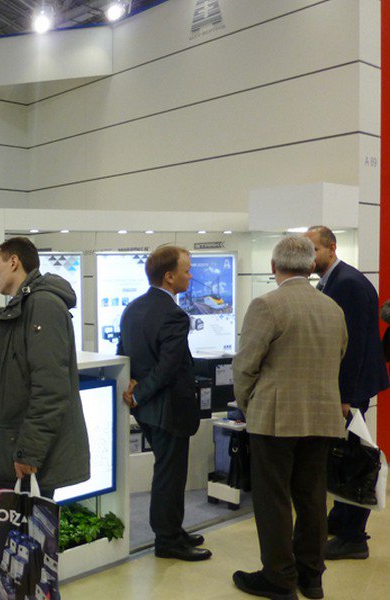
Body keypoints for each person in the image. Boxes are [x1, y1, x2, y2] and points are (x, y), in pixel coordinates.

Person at [0, 237, 90, 599]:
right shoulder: (27, 302)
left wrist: (29, 451)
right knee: (17, 537)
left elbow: (51, 387)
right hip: (13, 442)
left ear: (14, 262)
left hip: (28, 448)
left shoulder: (43, 305)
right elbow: (23, 358)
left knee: (29, 548)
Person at [231, 234, 347, 600]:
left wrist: (249, 406)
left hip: (275, 419)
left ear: (273, 266)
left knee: (274, 499)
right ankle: (311, 577)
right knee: (312, 497)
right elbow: (340, 355)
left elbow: (245, 366)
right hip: (322, 416)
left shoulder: (266, 305)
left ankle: (279, 577)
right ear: (312, 266)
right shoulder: (332, 308)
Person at [117, 245, 211, 561]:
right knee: (170, 476)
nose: (190, 276)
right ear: (169, 277)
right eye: (186, 270)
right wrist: (139, 392)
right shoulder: (174, 314)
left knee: (167, 473)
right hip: (168, 408)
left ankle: (173, 530)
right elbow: (168, 366)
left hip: (147, 410)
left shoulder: (132, 308)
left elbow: (123, 353)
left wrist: (135, 389)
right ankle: (168, 540)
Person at [305, 225, 390, 560]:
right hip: (348, 388)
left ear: (332, 248)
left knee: (355, 459)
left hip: (351, 390)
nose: (310, 257)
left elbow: (352, 347)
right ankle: (341, 519)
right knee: (343, 455)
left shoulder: (348, 284)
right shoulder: (335, 281)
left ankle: (354, 536)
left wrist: (346, 397)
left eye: (314, 249)